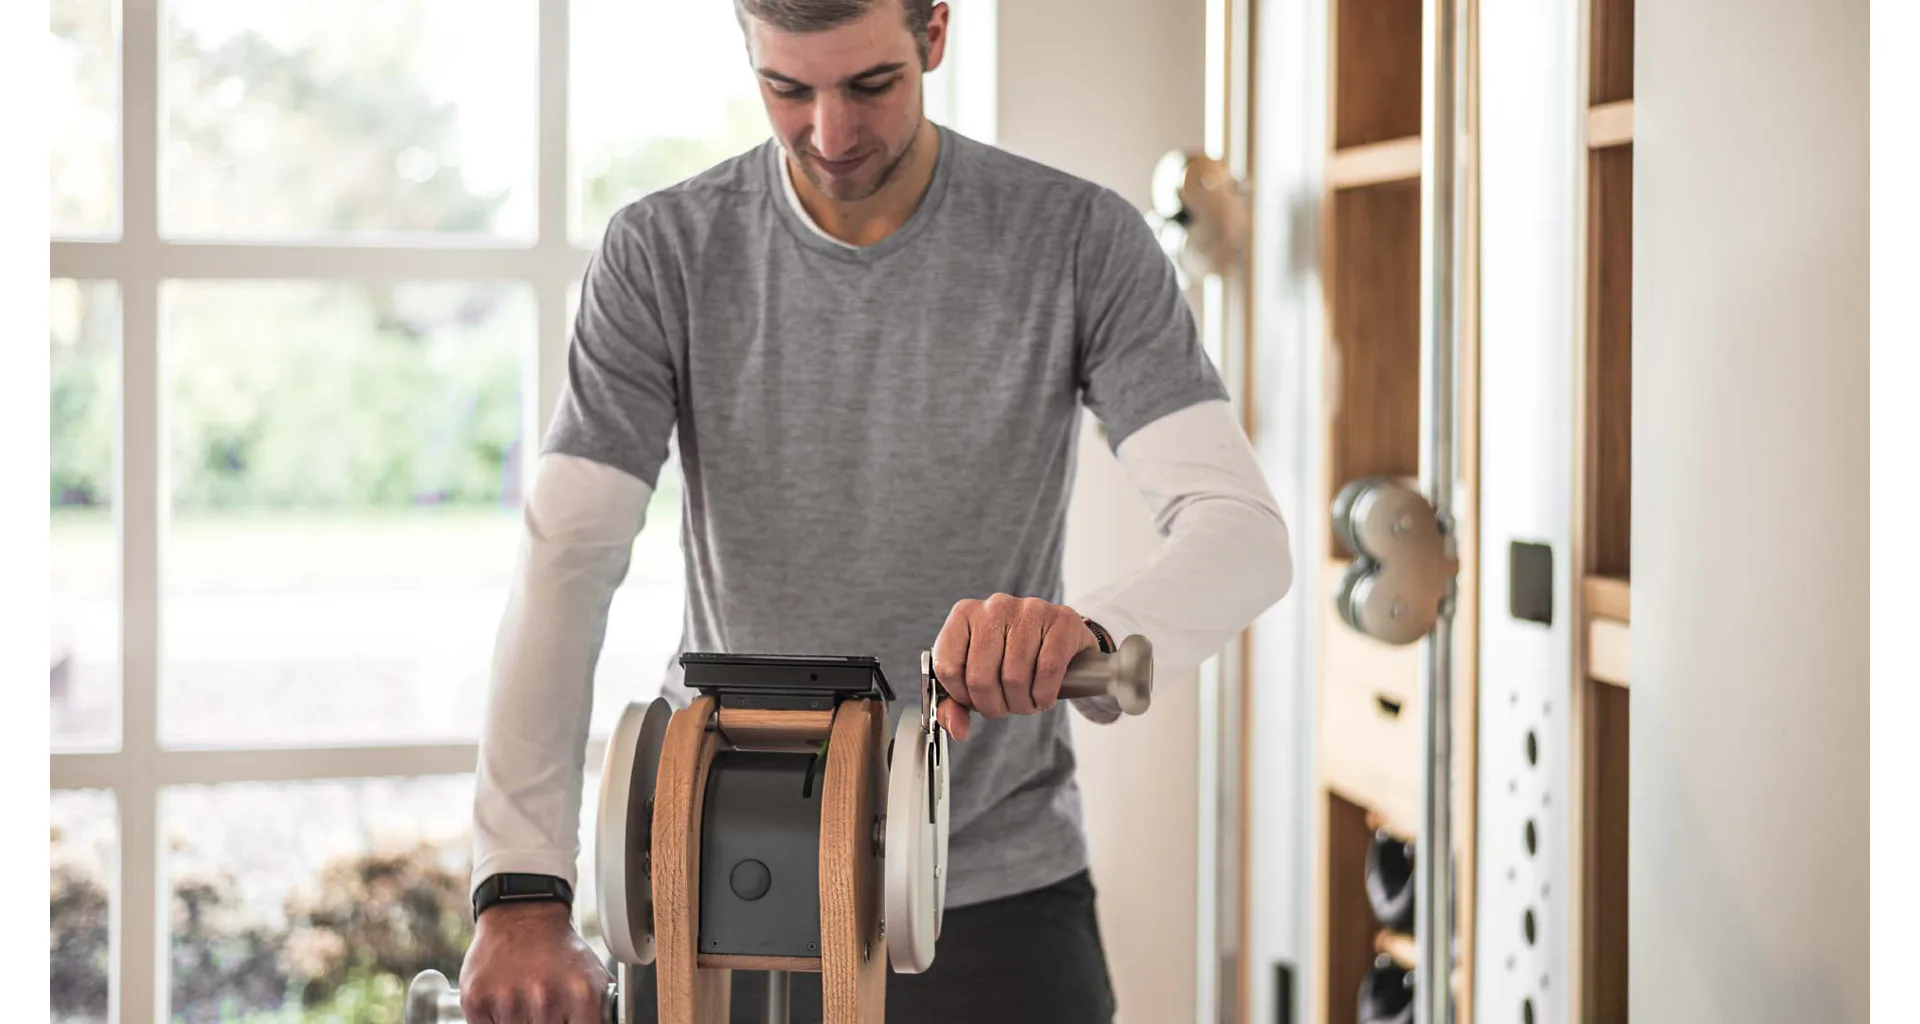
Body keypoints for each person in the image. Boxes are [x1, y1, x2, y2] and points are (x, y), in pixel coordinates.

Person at [457, 0, 1293, 1021]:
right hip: (723, 887)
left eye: (870, 85)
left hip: (995, 889)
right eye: (787, 88)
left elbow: (1241, 530)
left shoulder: (1080, 239)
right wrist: (522, 888)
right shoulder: (662, 251)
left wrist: (1093, 631)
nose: (830, 133)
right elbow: (567, 559)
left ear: (933, 33)